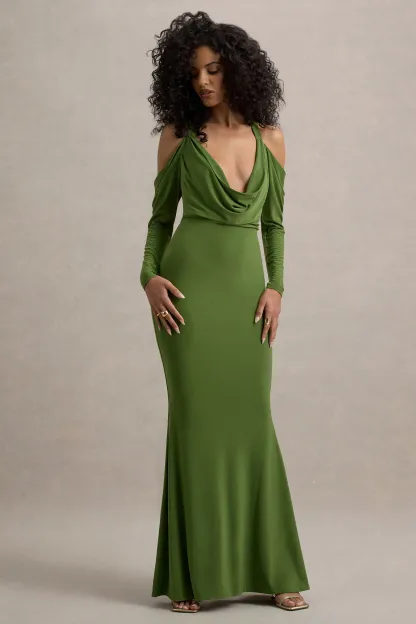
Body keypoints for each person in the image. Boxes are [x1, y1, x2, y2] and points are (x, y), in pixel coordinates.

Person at [140, 11, 310, 614]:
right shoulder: (178, 136)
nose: (204, 82)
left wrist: (276, 286)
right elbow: (160, 221)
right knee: (195, 427)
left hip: (245, 300)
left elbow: (275, 223)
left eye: (214, 69)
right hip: (186, 299)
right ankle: (192, 577)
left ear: (238, 69)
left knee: (251, 422)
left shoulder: (270, 137)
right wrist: (147, 278)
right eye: (194, 74)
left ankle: (274, 569)